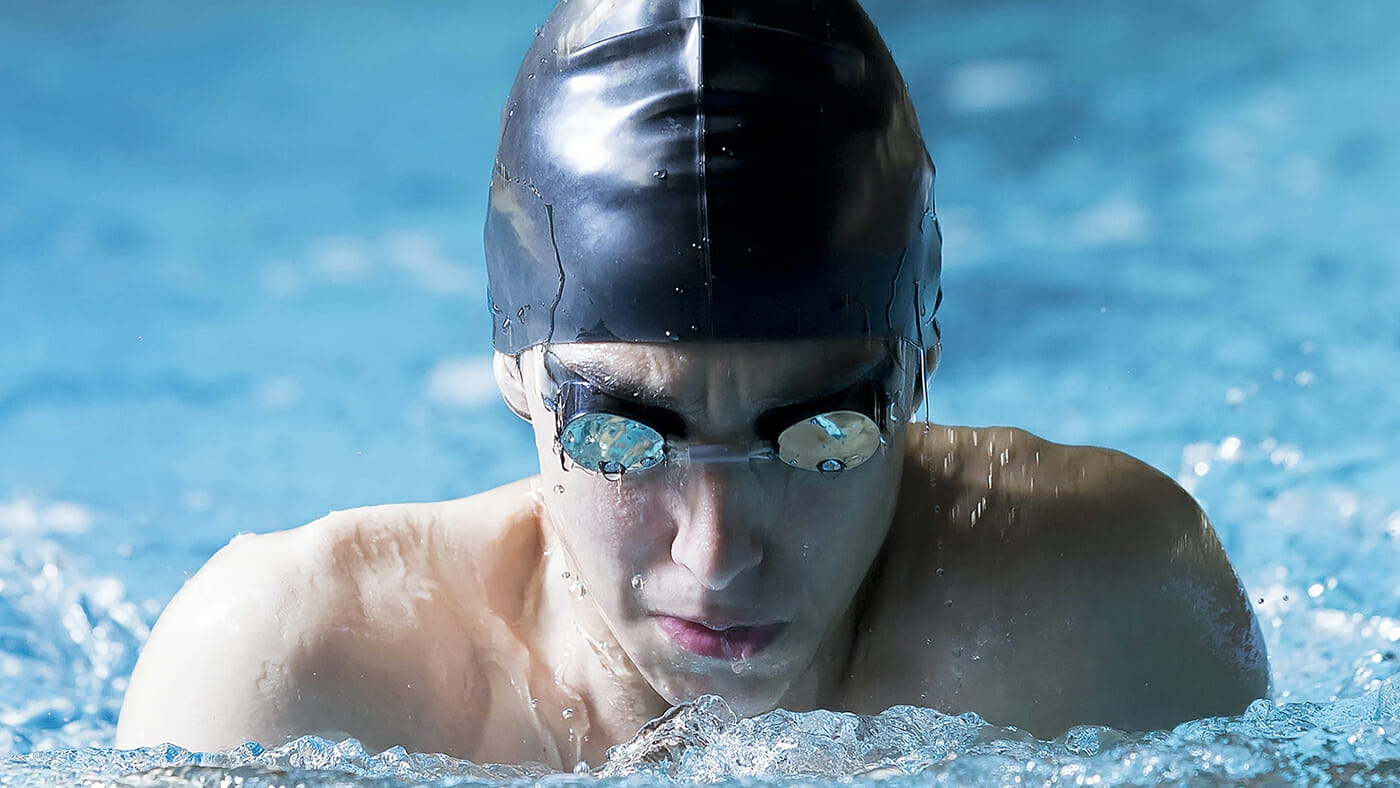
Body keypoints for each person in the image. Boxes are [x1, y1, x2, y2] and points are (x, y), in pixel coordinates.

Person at [115, 0, 1269, 769]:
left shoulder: (1105, 625)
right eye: (624, 436)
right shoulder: (293, 681)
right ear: (517, 375)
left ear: (916, 370)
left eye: (820, 435)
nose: (716, 557)